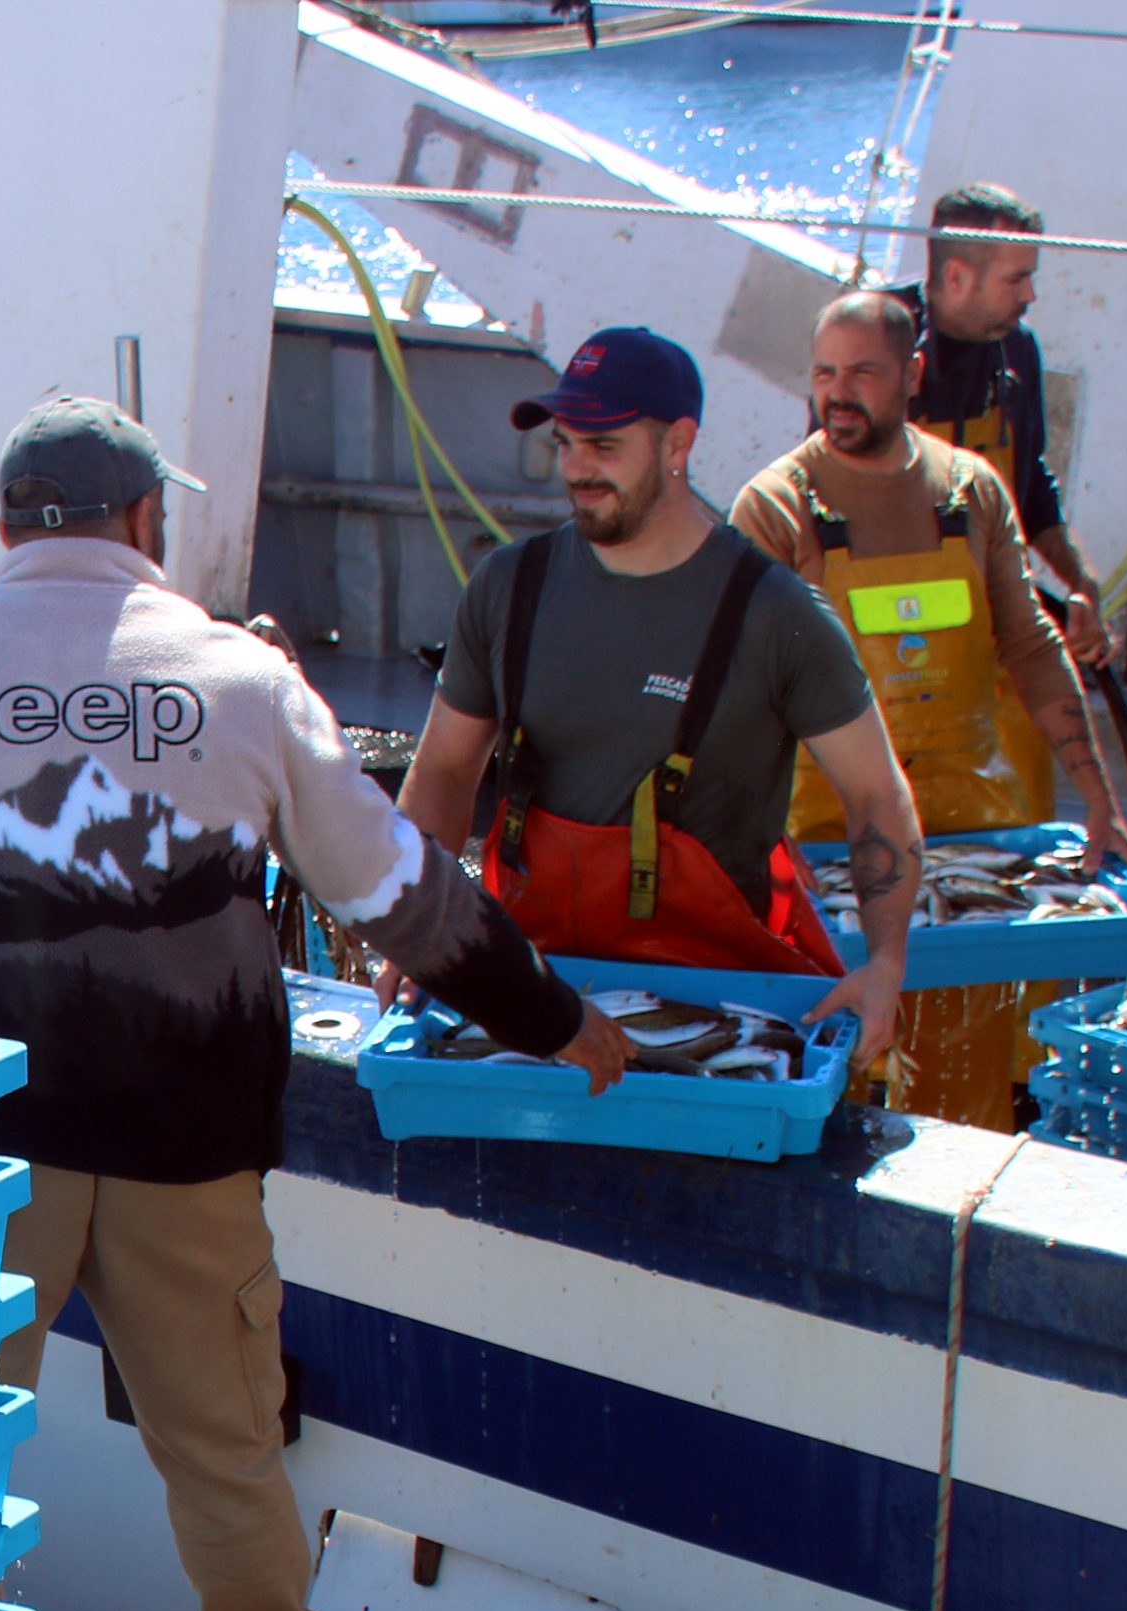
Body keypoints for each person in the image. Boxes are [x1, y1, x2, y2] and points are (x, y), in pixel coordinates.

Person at [0, 394, 614, 1611]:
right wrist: (557, 1021)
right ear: (145, 525)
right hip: (186, 1144)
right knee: (222, 1447)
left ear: (1, 529)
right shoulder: (239, 681)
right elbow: (396, 897)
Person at [392, 325, 927, 1069]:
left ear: (678, 445)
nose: (578, 469)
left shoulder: (776, 616)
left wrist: (886, 966)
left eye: (605, 448)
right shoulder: (508, 587)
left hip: (725, 1004)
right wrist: (419, 930)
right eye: (566, 443)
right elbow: (446, 771)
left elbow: (877, 794)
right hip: (536, 990)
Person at [736, 291, 1127, 1127]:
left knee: (967, 1083)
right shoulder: (776, 507)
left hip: (974, 840)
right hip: (828, 833)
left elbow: (1030, 644)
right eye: (823, 373)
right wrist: (762, 838)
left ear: (913, 375)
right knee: (826, 1068)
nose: (838, 393)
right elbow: (740, 696)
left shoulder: (972, 491)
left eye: (863, 373)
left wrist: (1096, 791)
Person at [912, 184, 1110, 675]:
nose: (1030, 295)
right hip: (901, 629)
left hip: (997, 618)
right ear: (956, 276)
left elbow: (1030, 484)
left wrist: (1079, 581)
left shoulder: (1018, 350)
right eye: (1016, 279)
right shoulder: (876, 342)